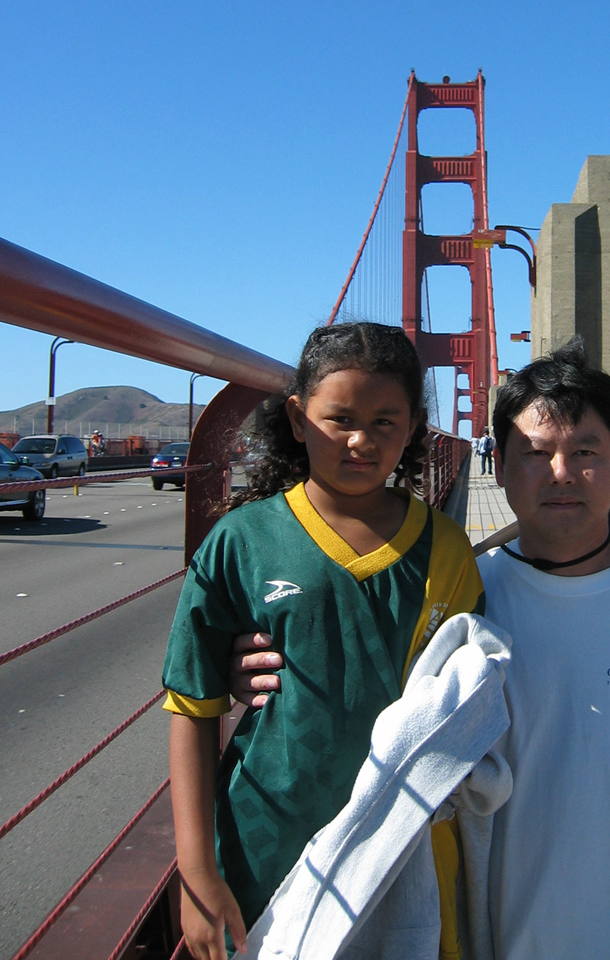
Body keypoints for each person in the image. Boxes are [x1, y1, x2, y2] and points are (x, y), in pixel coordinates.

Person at [232, 338, 610, 960]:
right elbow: (358, 694)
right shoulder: (455, 595)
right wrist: (268, 665)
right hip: (477, 941)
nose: (561, 474)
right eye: (534, 454)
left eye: (585, 452)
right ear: (499, 466)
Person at [163, 322, 484, 960]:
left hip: (406, 847)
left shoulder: (447, 550)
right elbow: (190, 707)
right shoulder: (242, 541)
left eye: (386, 422)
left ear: (416, 425)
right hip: (265, 846)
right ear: (298, 418)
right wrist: (198, 873)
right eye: (339, 419)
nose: (361, 441)